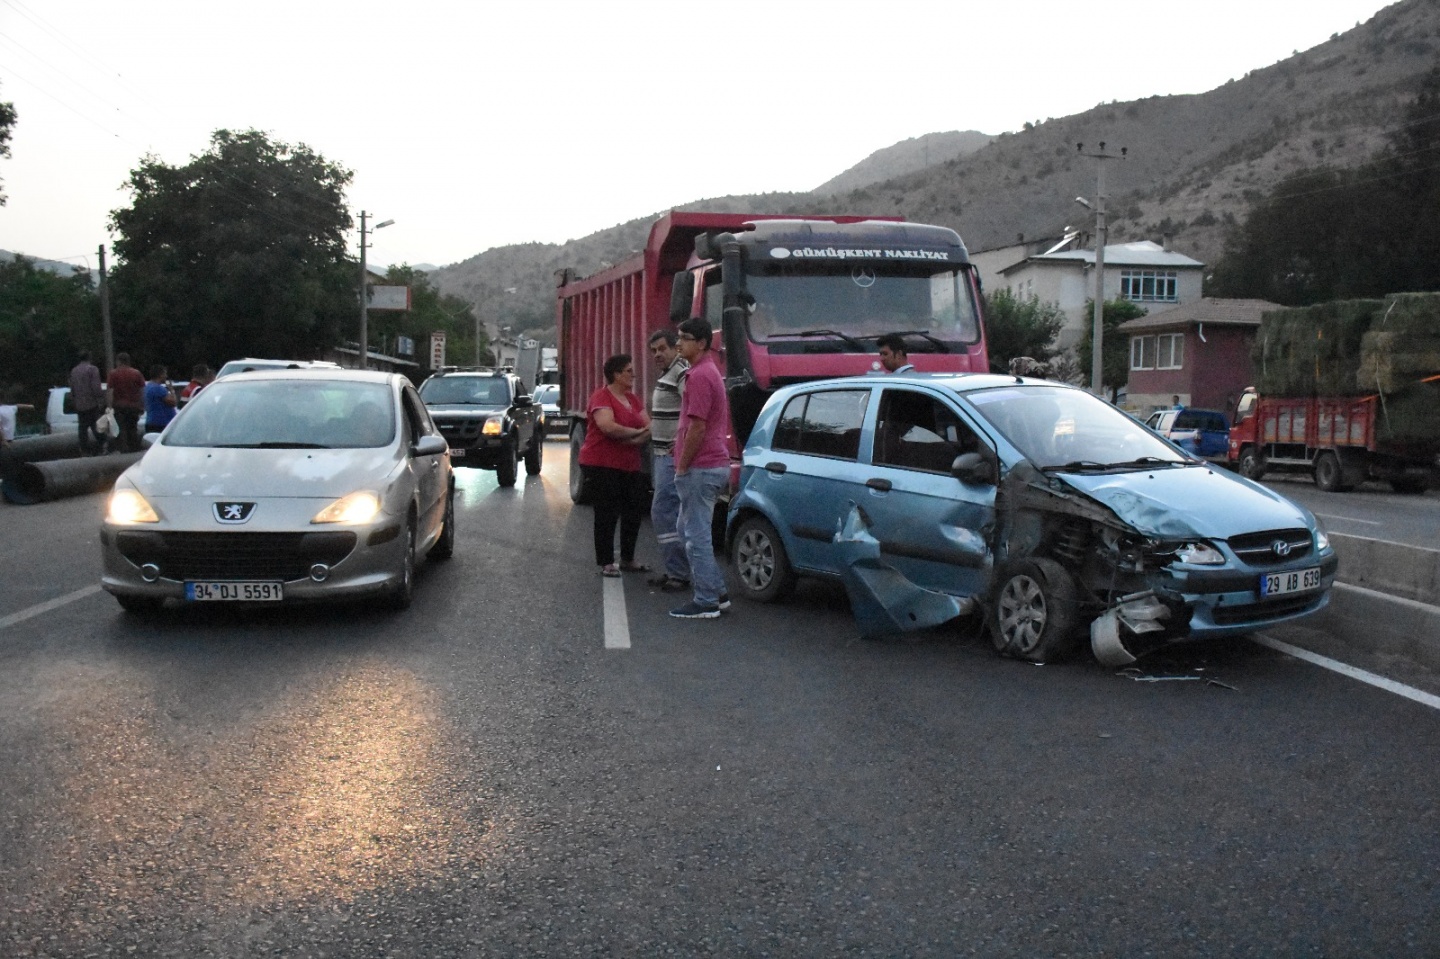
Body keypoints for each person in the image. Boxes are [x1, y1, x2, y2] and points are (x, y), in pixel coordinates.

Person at [670, 317, 732, 620]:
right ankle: (716, 591)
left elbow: (697, 427)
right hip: (708, 465)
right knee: (686, 530)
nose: (678, 342)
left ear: (702, 343)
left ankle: (706, 600)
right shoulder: (704, 372)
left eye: (684, 337)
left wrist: (682, 467)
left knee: (695, 535)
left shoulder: (700, 376)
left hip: (701, 467)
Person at [578, 353, 652, 577]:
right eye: (629, 371)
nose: (633, 375)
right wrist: (637, 434)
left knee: (634, 511)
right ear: (616, 374)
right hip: (601, 463)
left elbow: (649, 427)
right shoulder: (601, 397)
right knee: (607, 512)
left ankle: (628, 558)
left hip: (629, 464)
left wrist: (633, 437)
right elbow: (607, 427)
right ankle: (607, 562)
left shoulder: (634, 400)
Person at [646, 329, 691, 592]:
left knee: (663, 511)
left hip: (671, 457)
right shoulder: (668, 373)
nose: (657, 354)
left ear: (675, 348)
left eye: (662, 348)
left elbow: (692, 407)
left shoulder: (681, 372)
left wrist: (680, 440)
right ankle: (676, 569)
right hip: (661, 454)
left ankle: (679, 572)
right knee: (670, 513)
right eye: (653, 351)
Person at [68, 351, 107, 455]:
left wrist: (74, 401)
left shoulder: (74, 371)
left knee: (82, 428)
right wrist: (101, 399)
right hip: (91, 403)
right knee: (96, 426)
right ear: (89, 358)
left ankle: (84, 450)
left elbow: (72, 389)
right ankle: (103, 446)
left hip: (79, 405)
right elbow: (96, 387)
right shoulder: (92, 369)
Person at [108, 353, 147, 453]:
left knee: (121, 429)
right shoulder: (136, 373)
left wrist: (109, 406)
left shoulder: (113, 374)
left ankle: (123, 449)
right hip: (134, 406)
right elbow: (142, 390)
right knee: (132, 428)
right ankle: (134, 448)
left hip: (119, 406)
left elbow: (110, 391)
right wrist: (142, 405)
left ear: (119, 361)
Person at [142, 365, 178, 434]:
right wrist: (171, 390)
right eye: (165, 373)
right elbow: (173, 402)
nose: (166, 376)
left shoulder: (148, 386)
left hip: (151, 421)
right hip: (161, 423)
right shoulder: (158, 388)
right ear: (160, 375)